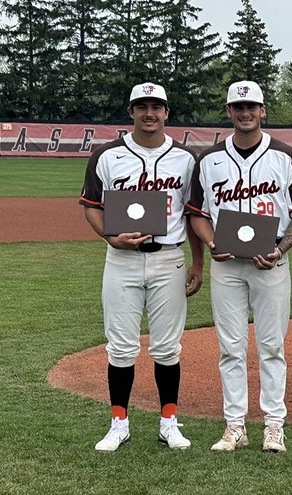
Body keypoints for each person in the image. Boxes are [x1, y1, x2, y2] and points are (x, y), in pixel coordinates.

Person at [186, 80, 292, 453]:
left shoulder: (285, 156)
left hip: (270, 264)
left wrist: (280, 248)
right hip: (226, 265)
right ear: (229, 112)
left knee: (272, 345)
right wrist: (212, 243)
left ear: (263, 111)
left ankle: (275, 425)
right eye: (238, 108)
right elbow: (198, 214)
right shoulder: (209, 161)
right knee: (230, 347)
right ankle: (235, 426)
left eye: (252, 107)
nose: (245, 113)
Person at [80, 82, 203, 452]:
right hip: (122, 259)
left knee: (167, 347)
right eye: (142, 106)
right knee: (120, 347)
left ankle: (169, 421)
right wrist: (109, 237)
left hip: (169, 258)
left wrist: (198, 263)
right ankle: (119, 422)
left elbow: (192, 213)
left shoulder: (185, 159)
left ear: (167, 113)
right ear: (130, 111)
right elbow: (91, 205)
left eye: (157, 106)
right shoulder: (107, 155)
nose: (150, 113)